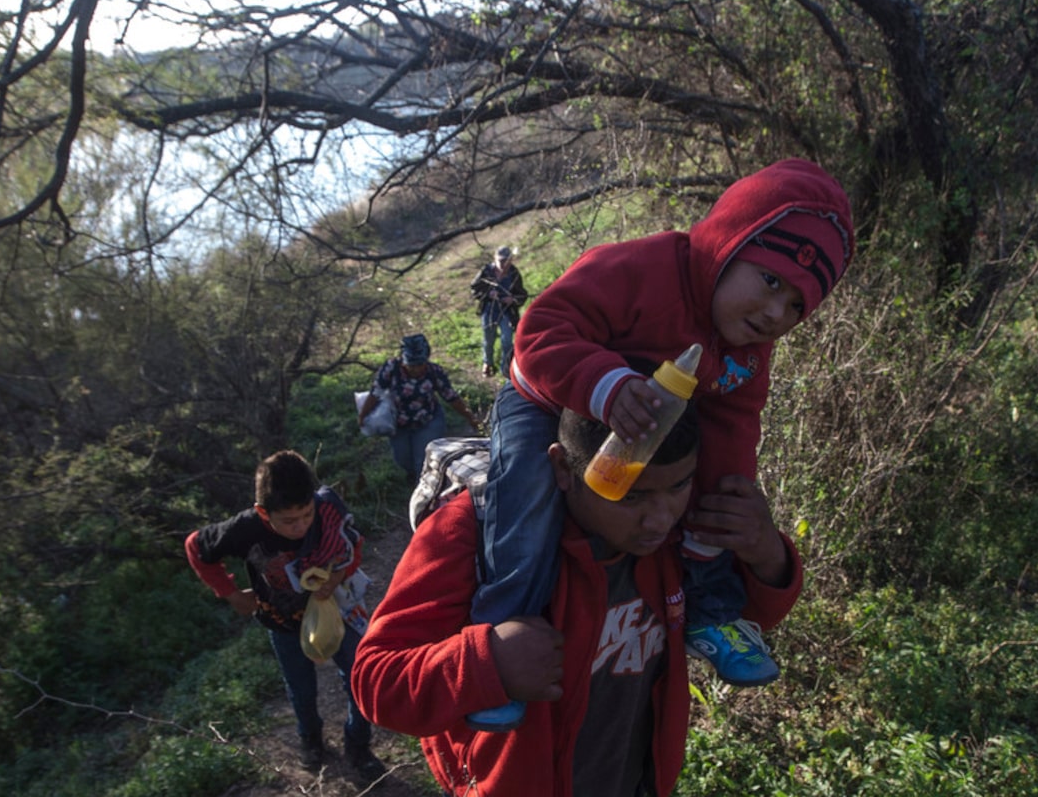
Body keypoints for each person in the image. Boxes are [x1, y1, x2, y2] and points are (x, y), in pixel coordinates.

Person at [352, 403, 802, 797]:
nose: (659, 518)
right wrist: (489, 660)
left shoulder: (678, 530)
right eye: (629, 494)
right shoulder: (480, 532)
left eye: (678, 487)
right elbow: (375, 678)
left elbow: (747, 616)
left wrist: (766, 551)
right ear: (563, 468)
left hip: (624, 784)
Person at [475, 158, 853, 717]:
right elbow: (542, 328)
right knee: (527, 504)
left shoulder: (746, 346)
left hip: (647, 434)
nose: (777, 312)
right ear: (728, 242)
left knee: (715, 501)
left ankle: (712, 612)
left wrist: (722, 510)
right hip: (545, 399)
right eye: (771, 281)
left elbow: (735, 421)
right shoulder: (641, 269)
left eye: (798, 304)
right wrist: (606, 387)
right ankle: (500, 649)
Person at [184, 449, 386, 783]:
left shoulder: (328, 509)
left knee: (359, 676)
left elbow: (352, 546)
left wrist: (337, 576)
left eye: (306, 515)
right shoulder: (245, 529)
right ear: (264, 513)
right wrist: (231, 594)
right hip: (282, 622)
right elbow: (196, 547)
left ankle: (359, 745)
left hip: (337, 611)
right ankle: (310, 739)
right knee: (300, 687)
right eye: (288, 521)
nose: (300, 526)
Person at [358, 333, 483, 483]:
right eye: (411, 365)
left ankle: (425, 492)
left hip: (428, 421)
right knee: (402, 458)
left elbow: (451, 397)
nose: (415, 369)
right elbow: (375, 393)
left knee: (423, 461)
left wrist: (470, 417)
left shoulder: (434, 372)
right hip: (399, 423)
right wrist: (363, 415)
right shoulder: (391, 369)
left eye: (419, 364)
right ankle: (413, 474)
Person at [470, 245, 529, 378]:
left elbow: (522, 294)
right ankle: (487, 363)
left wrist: (512, 299)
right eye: (501, 260)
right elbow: (474, 288)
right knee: (489, 339)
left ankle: (505, 369)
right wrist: (488, 293)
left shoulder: (514, 273)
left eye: (506, 261)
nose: (503, 264)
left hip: (507, 312)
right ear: (495, 259)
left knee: (507, 340)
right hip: (490, 310)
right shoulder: (486, 272)